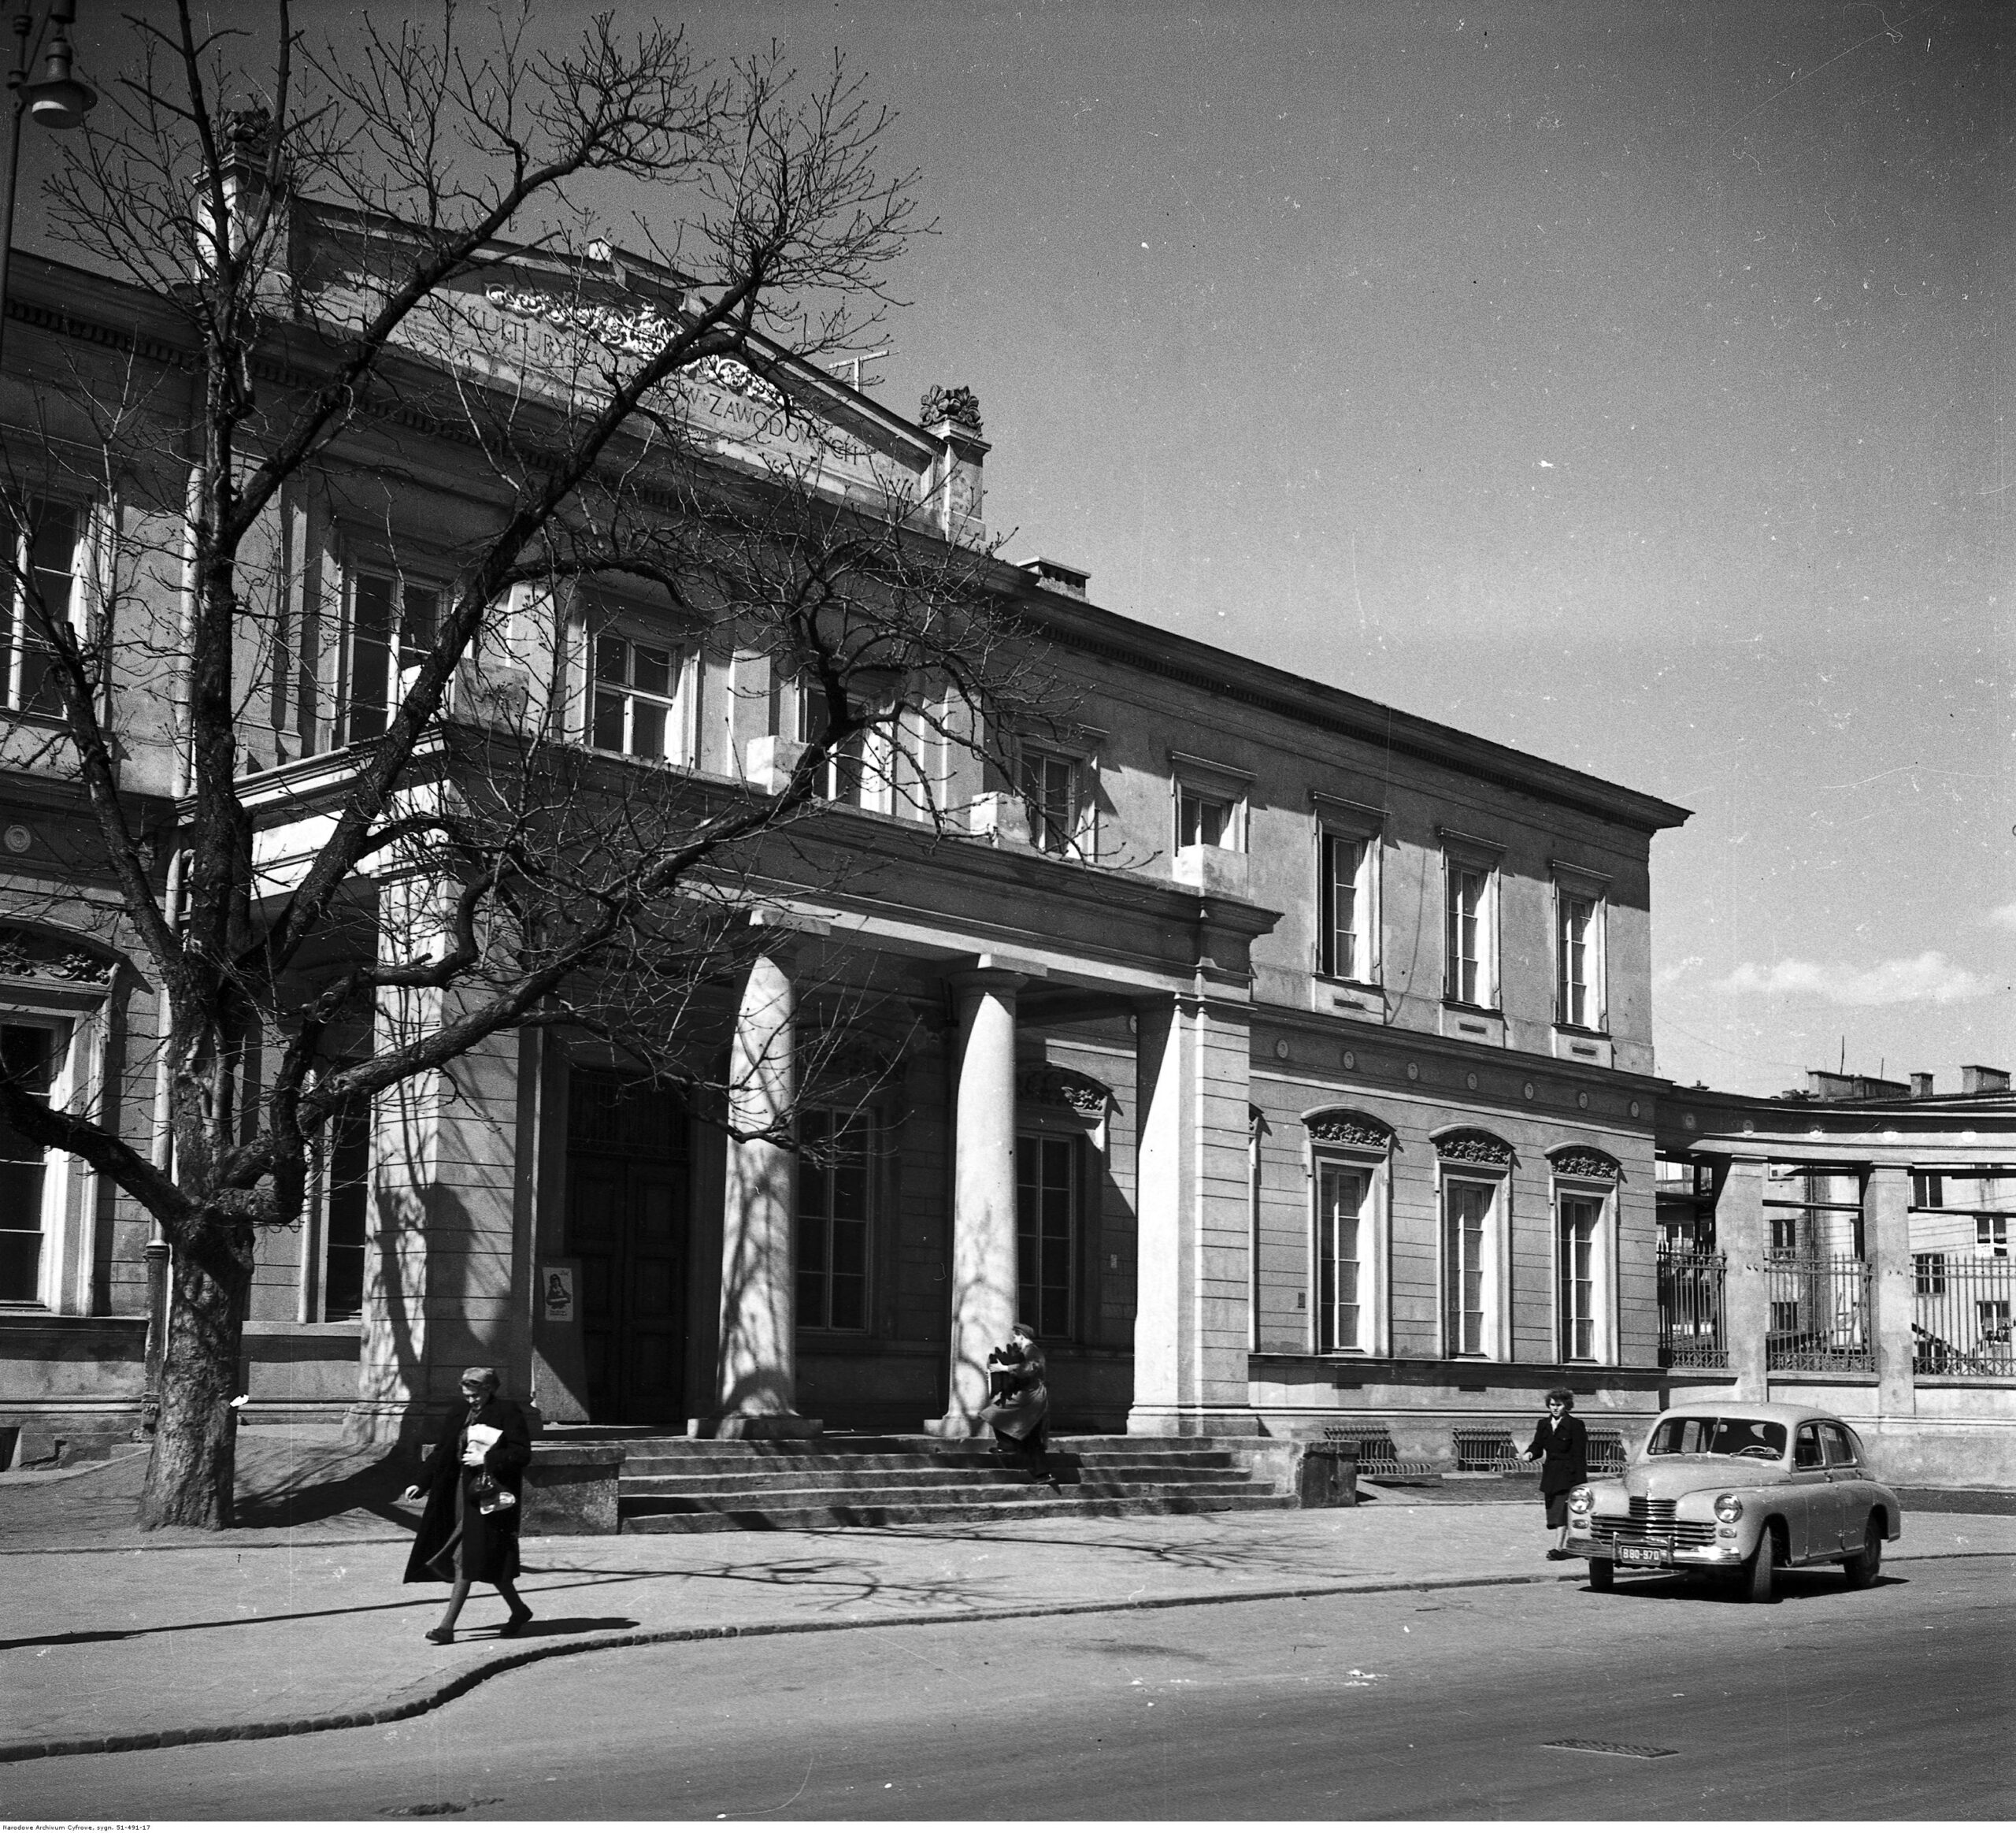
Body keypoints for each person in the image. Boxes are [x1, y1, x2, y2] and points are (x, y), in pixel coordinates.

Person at [402, 1366, 533, 1642]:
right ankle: (519, 1611)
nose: (471, 1400)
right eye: (466, 1395)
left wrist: (487, 1460)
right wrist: (421, 1482)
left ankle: (446, 1628)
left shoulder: (507, 1411)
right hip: (458, 1494)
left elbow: (522, 1454)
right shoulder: (458, 1412)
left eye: (475, 1395)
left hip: (489, 1496)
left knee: (466, 1557)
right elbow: (443, 1451)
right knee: (485, 1560)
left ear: (489, 1390)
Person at [980, 1323, 1055, 1486]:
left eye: (1016, 1336)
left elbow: (1028, 1369)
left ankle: (1008, 1445)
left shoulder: (1033, 1351)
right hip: (1029, 1398)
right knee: (1031, 1437)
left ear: (1023, 1336)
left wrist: (1004, 1368)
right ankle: (1042, 1474)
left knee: (995, 1413)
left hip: (1032, 1398)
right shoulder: (1026, 1351)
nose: (1014, 1339)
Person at [1518, 1386, 1588, 1558]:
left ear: (1567, 1405)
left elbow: (1580, 1455)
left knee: (1560, 1512)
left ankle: (1557, 1549)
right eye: (1552, 1405)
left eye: (1559, 1405)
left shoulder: (1575, 1425)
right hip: (1550, 1474)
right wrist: (1529, 1454)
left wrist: (1580, 1482)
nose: (1555, 1408)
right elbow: (1538, 1446)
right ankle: (1578, 1543)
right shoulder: (1543, 1424)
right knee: (1553, 1512)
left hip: (1568, 1474)